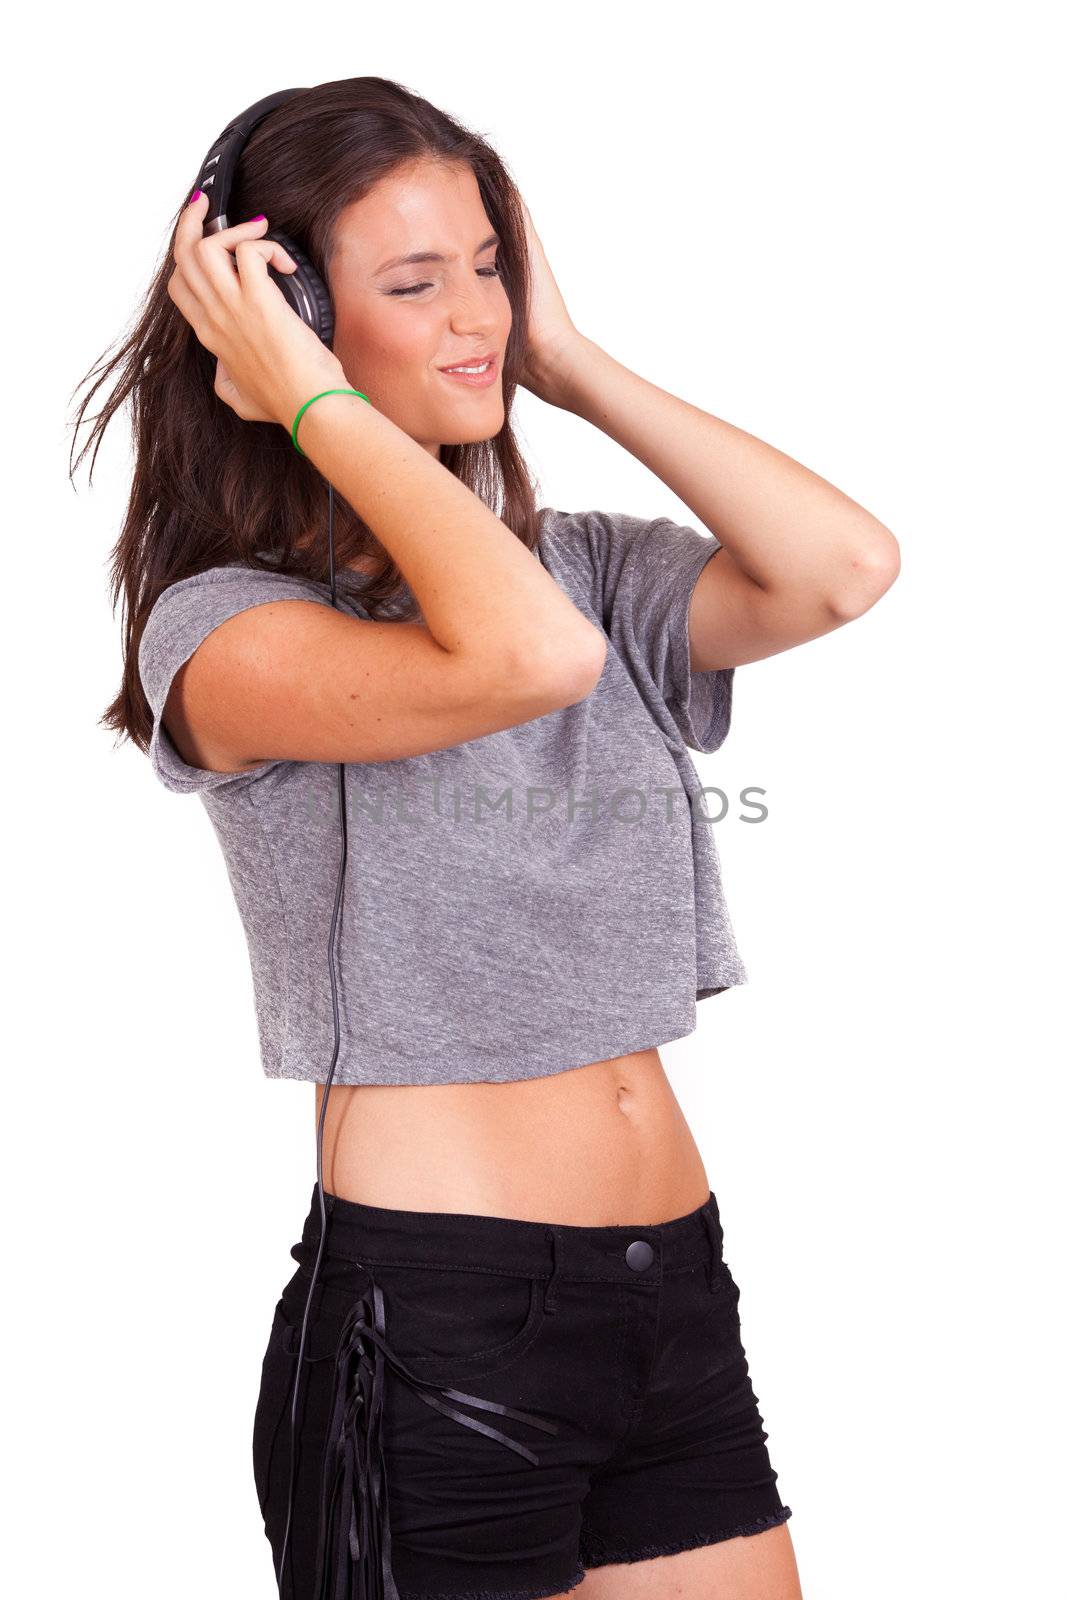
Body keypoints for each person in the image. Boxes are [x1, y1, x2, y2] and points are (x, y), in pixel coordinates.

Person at [72, 79, 898, 1600]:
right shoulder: (231, 633)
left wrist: (569, 361)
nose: (476, 315)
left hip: (670, 1301)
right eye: (411, 281)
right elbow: (523, 662)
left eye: (488, 264)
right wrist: (308, 398)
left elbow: (843, 569)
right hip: (434, 1325)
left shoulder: (581, 568)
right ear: (291, 322)